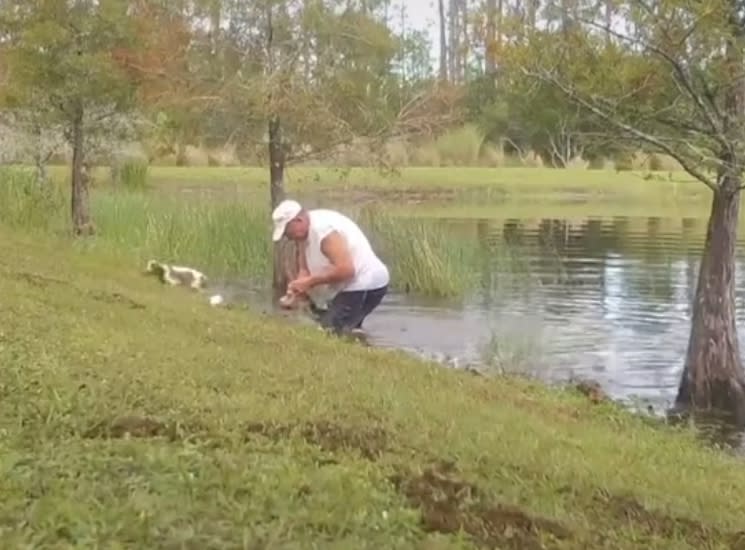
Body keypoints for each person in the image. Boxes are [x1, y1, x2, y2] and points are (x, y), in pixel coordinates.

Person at [271, 199, 390, 335]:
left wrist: (310, 282)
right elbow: (304, 268)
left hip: (364, 283)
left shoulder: (324, 231)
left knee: (328, 333)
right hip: (351, 286)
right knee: (346, 329)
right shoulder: (303, 233)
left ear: (298, 220)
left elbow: (346, 270)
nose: (288, 236)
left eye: (287, 230)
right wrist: (298, 289)